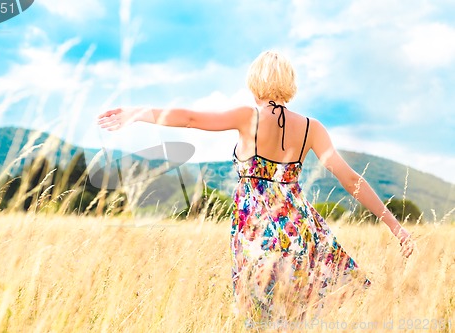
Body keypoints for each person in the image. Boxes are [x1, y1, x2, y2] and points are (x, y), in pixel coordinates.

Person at [97, 50, 415, 321]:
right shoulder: (311, 128)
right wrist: (396, 227)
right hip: (301, 231)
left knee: (260, 318)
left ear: (255, 82)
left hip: (257, 235)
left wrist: (136, 113)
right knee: (302, 318)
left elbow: (190, 119)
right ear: (289, 83)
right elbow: (351, 181)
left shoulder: (247, 117)